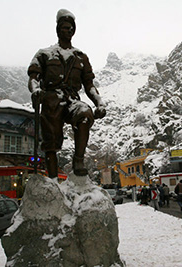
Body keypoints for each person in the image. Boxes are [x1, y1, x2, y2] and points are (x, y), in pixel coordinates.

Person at [28, 9, 106, 178]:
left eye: (71, 27)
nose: (68, 30)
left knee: (85, 114)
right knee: (51, 142)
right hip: (51, 99)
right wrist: (36, 91)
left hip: (72, 100)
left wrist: (99, 103)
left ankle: (78, 160)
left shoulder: (81, 57)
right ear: (58, 30)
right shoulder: (44, 54)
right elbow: (33, 78)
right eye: (65, 27)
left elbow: (90, 86)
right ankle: (53, 178)